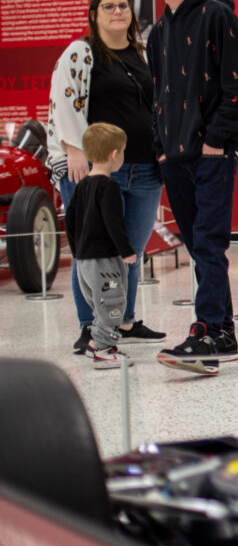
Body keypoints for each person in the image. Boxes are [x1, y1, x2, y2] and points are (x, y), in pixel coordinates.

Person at [141, 0, 238, 375]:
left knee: (208, 243)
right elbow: (158, 97)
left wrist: (218, 141)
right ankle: (220, 333)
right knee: (198, 246)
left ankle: (208, 332)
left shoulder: (216, 14)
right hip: (175, 157)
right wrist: (162, 150)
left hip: (209, 155)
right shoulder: (159, 30)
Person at [47, 0, 167, 354]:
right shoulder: (80, 53)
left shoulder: (143, 52)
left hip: (144, 169)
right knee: (92, 251)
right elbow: (63, 101)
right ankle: (90, 327)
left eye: (124, 6)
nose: (118, 11)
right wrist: (73, 149)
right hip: (94, 171)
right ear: (94, 14)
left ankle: (125, 320)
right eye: (109, 6)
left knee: (131, 250)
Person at [63, 123, 138, 370]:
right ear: (114, 154)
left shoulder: (82, 186)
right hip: (105, 260)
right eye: (123, 151)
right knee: (113, 301)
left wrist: (77, 252)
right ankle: (104, 350)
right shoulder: (109, 187)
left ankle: (97, 343)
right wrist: (126, 251)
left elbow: (70, 221)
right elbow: (113, 223)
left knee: (99, 304)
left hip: (84, 261)